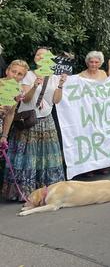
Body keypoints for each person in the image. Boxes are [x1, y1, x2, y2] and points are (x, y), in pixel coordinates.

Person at [1, 48, 66, 201]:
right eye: (38, 54)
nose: (40, 57)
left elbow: (56, 101)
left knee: (46, 158)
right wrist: (35, 85)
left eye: (44, 56)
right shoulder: (26, 75)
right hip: (29, 120)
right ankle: (23, 192)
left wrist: (61, 85)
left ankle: (48, 191)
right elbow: (26, 100)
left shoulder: (55, 77)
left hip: (47, 121)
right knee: (27, 158)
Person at [0, 60, 30, 159]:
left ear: (23, 77)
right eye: (13, 71)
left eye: (20, 74)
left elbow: (10, 114)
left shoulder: (17, 91)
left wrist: (4, 136)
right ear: (7, 71)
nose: (15, 75)